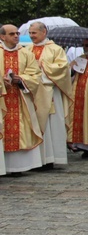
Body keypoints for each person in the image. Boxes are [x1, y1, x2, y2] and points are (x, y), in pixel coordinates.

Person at [28, 21, 72, 169]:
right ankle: (35, 159)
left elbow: (63, 68)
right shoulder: (27, 49)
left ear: (44, 32)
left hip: (50, 91)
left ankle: (50, 158)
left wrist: (43, 66)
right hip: (32, 93)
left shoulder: (55, 49)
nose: (31, 36)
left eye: (34, 32)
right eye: (30, 33)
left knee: (51, 126)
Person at [0, 24, 43, 175]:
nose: (16, 36)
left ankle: (18, 167)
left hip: (20, 98)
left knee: (21, 129)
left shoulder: (25, 53)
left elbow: (35, 75)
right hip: (3, 99)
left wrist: (21, 79)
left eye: (17, 33)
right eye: (12, 34)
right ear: (2, 37)